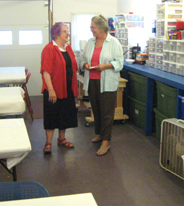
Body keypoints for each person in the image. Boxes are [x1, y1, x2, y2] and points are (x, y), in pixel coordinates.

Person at [81, 15, 123, 156]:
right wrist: (85, 64)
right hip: (92, 80)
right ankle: (99, 134)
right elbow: (83, 58)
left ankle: (106, 141)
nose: (91, 30)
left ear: (101, 28)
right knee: (96, 109)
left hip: (107, 82)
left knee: (106, 112)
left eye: (93, 27)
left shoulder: (113, 43)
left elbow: (119, 63)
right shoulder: (90, 42)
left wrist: (104, 66)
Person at [40, 22, 78, 154]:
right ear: (56, 34)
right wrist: (51, 90)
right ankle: (48, 142)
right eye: (65, 31)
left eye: (68, 31)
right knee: (52, 116)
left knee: (64, 115)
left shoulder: (68, 48)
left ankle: (62, 139)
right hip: (53, 89)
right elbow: (46, 71)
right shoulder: (49, 49)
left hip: (67, 88)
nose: (68, 33)